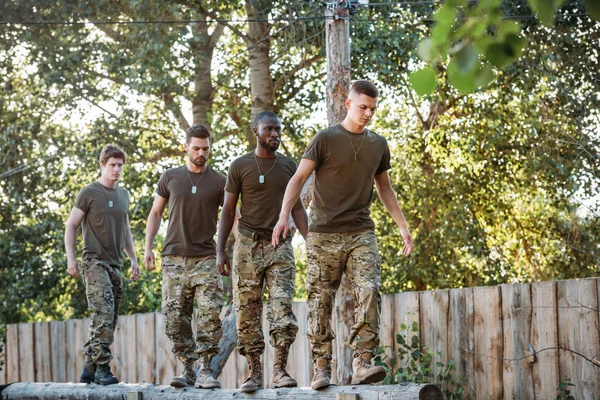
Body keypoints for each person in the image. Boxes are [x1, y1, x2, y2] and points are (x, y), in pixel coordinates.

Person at [272, 80, 414, 390]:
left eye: (373, 109)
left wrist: (403, 227)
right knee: (320, 303)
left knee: (370, 290)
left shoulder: (378, 145)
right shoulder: (325, 139)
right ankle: (322, 367)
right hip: (323, 235)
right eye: (362, 107)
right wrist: (284, 216)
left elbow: (385, 189)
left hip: (362, 231)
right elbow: (298, 179)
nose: (368, 114)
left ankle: (362, 362)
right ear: (348, 103)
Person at [216, 111, 308, 393]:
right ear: (255, 131)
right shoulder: (240, 165)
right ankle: (254, 373)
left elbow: (297, 208)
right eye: (269, 129)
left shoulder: (289, 166)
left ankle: (280, 370)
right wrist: (220, 251)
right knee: (247, 312)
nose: (275, 135)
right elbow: (228, 210)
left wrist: (311, 241)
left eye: (278, 130)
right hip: (245, 246)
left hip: (279, 245)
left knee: (282, 308)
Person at [144, 125, 226, 389]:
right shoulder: (170, 177)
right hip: (173, 257)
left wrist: (229, 250)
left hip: (205, 258)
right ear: (186, 147)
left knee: (209, 316)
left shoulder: (219, 181)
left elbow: (232, 217)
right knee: (174, 318)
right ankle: (187, 368)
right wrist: (147, 248)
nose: (201, 153)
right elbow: (155, 213)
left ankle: (205, 370)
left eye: (205, 148)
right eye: (196, 148)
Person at [65, 144, 141, 386]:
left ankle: (89, 368)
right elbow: (71, 225)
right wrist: (71, 257)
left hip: (115, 264)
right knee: (103, 316)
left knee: (110, 320)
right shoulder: (89, 193)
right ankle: (102, 369)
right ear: (102, 165)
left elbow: (126, 230)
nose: (117, 169)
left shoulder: (123, 195)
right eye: (112, 165)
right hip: (94, 262)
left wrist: (133, 259)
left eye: (120, 165)